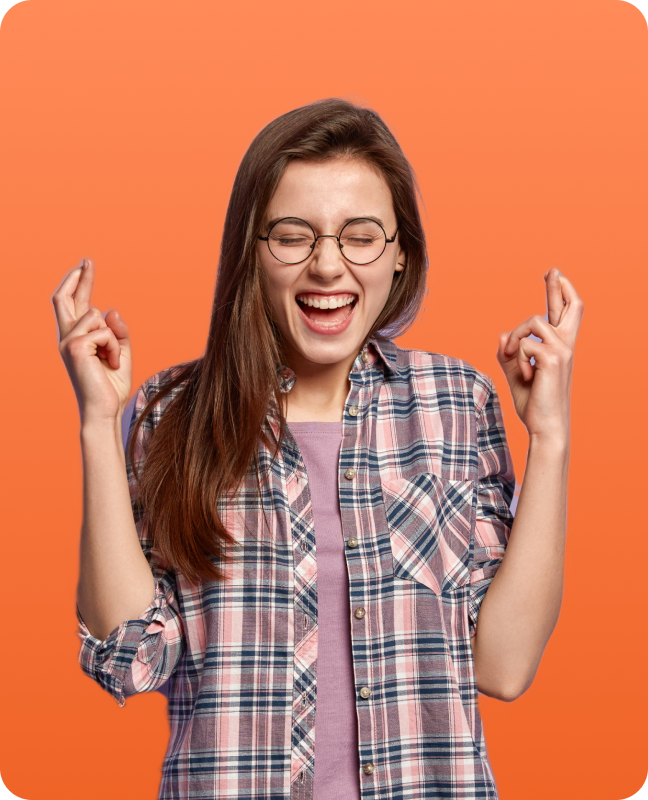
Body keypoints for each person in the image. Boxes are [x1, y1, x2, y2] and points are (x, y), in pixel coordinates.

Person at [53, 98, 583, 800]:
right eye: (292, 236)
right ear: (253, 250)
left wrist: (549, 436)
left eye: (361, 236)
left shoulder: (457, 404)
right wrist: (99, 421)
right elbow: (130, 656)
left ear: (400, 253)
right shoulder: (175, 413)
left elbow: (504, 666)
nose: (327, 265)